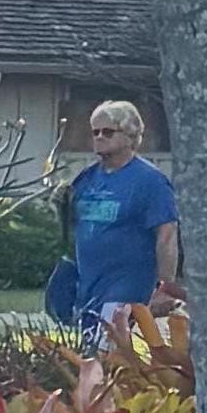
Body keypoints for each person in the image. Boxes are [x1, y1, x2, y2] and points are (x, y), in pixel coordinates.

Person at [47, 101, 181, 332]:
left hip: (126, 287)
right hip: (89, 286)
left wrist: (165, 287)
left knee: (106, 345)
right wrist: (61, 203)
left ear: (130, 136)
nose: (99, 137)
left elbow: (167, 235)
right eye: (95, 132)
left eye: (108, 132)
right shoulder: (86, 179)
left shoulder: (150, 181)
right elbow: (74, 227)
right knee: (91, 347)